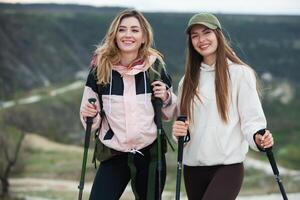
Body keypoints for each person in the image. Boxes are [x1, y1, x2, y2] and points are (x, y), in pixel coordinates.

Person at [172, 13, 274, 200]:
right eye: (195, 36)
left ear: (218, 34)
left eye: (206, 32)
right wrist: (179, 132)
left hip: (227, 167)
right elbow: (184, 129)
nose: (201, 40)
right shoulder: (187, 81)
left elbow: (252, 120)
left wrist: (258, 138)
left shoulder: (240, 74)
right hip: (193, 168)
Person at [79, 9, 176, 200]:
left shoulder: (156, 67)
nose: (128, 35)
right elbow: (90, 121)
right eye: (122, 30)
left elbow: (169, 112)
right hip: (114, 154)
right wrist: (91, 115)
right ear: (114, 35)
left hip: (150, 154)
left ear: (143, 37)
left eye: (134, 30)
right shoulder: (100, 70)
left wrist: (165, 97)